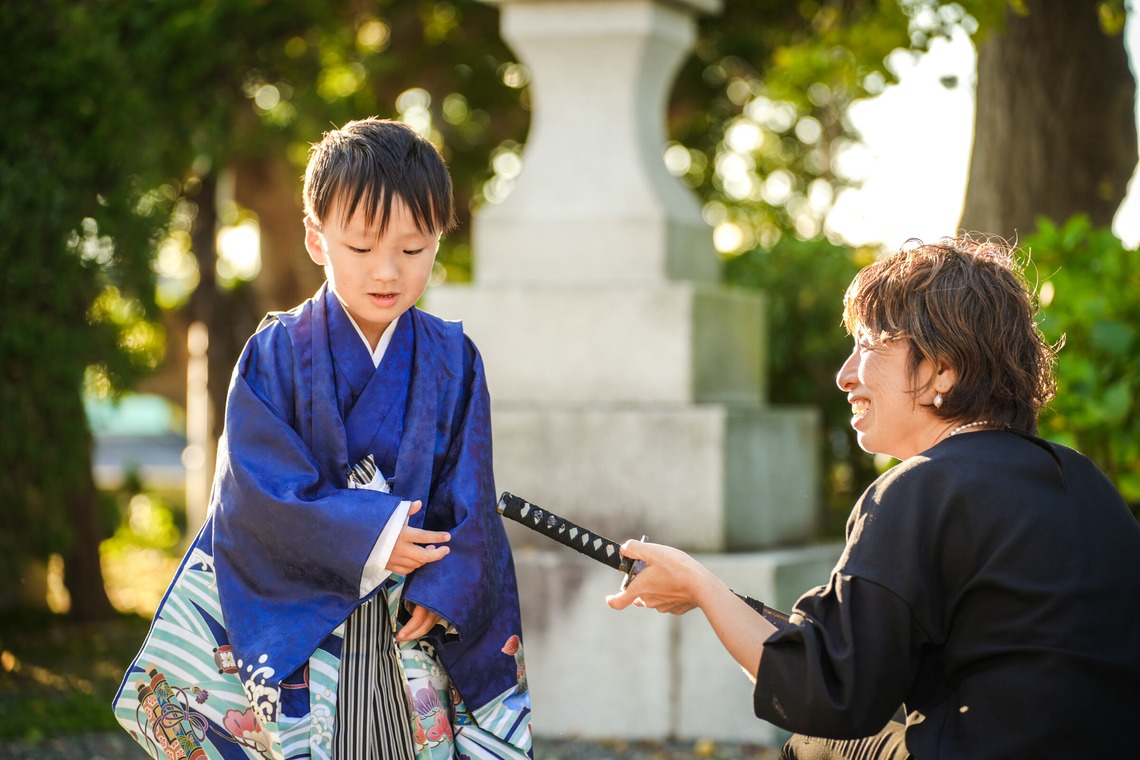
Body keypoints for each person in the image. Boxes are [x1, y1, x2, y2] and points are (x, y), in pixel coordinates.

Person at [606, 235, 1140, 759]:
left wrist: (700, 587)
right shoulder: (1086, 483)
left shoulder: (920, 488)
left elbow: (827, 693)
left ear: (942, 370)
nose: (845, 375)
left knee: (813, 746)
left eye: (869, 344)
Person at [114, 118, 532, 759]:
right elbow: (254, 489)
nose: (387, 271)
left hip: (408, 619)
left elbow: (470, 492)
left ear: (439, 240)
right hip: (305, 618)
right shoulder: (275, 353)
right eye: (362, 249)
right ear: (316, 238)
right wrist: (370, 535)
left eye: (414, 249)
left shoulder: (454, 358)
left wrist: (449, 594)